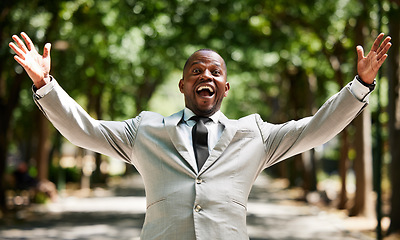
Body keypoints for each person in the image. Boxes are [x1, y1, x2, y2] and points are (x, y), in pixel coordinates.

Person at [9, 32, 391, 240]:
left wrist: (359, 85)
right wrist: (46, 86)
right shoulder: (144, 129)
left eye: (214, 72)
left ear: (225, 88)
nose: (205, 75)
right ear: (182, 84)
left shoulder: (255, 134)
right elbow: (85, 130)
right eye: (196, 70)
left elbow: (314, 129)